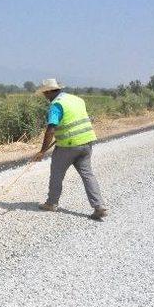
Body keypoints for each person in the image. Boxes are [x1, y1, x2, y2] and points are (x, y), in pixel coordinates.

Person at [33, 78, 108, 220]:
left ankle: (51, 203)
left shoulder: (56, 105)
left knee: (56, 174)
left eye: (45, 93)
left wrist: (42, 151)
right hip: (86, 143)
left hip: (68, 146)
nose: (44, 96)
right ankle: (99, 206)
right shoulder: (77, 99)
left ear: (49, 91)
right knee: (88, 175)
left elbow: (50, 129)